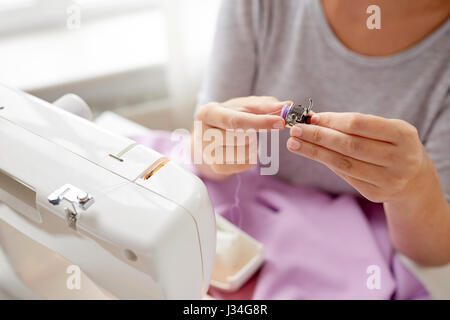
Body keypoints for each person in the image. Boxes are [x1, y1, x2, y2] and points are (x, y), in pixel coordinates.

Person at [192, 0, 450, 268]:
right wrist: (214, 146)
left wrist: (415, 188)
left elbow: (434, 252)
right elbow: (202, 149)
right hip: (243, 229)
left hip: (352, 257)